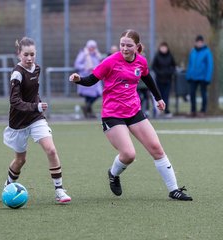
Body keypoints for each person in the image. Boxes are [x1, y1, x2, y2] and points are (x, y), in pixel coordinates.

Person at [69, 29, 192, 201]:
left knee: (156, 149)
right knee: (128, 154)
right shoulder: (110, 61)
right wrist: (78, 79)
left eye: (129, 45)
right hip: (112, 114)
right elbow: (91, 79)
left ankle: (174, 190)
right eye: (122, 45)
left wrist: (158, 98)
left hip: (134, 111)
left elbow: (148, 78)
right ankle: (113, 174)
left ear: (137, 47)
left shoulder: (141, 62)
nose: (125, 48)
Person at [3, 37, 71, 203]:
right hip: (18, 122)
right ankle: (8, 185)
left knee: (51, 150)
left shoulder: (37, 69)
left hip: (36, 118)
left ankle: (59, 190)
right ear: (19, 54)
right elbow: (14, 101)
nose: (29, 58)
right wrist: (36, 106)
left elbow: (33, 93)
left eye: (32, 54)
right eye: (26, 54)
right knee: (20, 160)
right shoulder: (17, 73)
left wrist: (38, 104)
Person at [74, 40, 104, 118]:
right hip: (86, 77)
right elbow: (77, 64)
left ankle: (87, 108)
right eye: (91, 47)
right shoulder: (83, 54)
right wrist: (85, 68)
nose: (92, 48)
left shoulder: (96, 55)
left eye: (94, 47)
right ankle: (88, 111)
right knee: (88, 96)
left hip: (95, 77)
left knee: (97, 94)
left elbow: (100, 63)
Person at [185, 35, 213, 117]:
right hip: (193, 77)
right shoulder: (192, 51)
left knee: (203, 94)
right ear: (196, 42)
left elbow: (210, 65)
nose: (199, 44)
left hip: (203, 78)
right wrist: (188, 75)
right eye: (198, 42)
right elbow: (190, 64)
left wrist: (207, 78)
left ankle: (203, 111)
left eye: (201, 42)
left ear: (203, 43)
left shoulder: (207, 52)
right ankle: (193, 111)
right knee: (192, 93)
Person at [152, 42, 176, 117]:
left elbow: (173, 66)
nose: (164, 49)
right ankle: (158, 110)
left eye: (165, 47)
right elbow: (154, 67)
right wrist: (159, 73)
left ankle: (166, 110)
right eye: (162, 47)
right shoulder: (157, 56)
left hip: (168, 79)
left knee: (166, 95)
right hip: (159, 79)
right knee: (159, 95)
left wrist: (169, 72)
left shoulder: (170, 56)